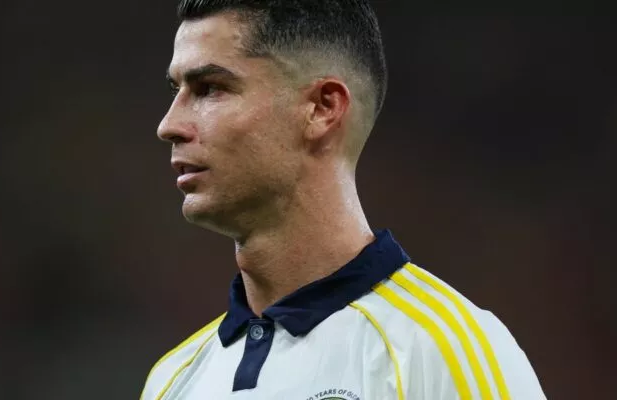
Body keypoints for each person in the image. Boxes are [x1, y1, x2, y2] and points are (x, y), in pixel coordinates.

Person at [142, 0, 546, 399]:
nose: (168, 125)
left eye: (210, 89)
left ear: (323, 108)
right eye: (176, 90)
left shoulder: (441, 350)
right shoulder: (171, 381)